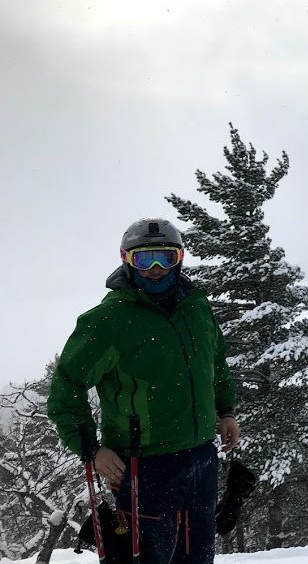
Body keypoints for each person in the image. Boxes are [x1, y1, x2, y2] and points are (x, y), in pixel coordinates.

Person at [48, 217, 239, 564]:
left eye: (164, 258)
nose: (154, 269)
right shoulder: (109, 320)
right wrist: (91, 449)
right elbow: (66, 388)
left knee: (197, 557)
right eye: (143, 259)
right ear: (125, 260)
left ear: (179, 259)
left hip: (200, 458)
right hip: (144, 468)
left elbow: (217, 361)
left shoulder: (196, 307)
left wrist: (226, 412)